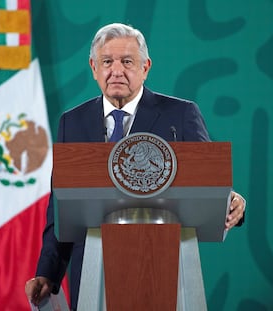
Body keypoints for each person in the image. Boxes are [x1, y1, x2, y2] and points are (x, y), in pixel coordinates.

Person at [25, 22, 246, 310]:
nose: (116, 70)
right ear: (94, 67)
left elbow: (207, 182)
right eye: (107, 62)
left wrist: (231, 200)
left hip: (164, 265)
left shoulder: (180, 115)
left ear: (145, 67)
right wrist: (48, 272)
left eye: (127, 61)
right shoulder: (72, 121)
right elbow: (60, 203)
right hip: (92, 270)